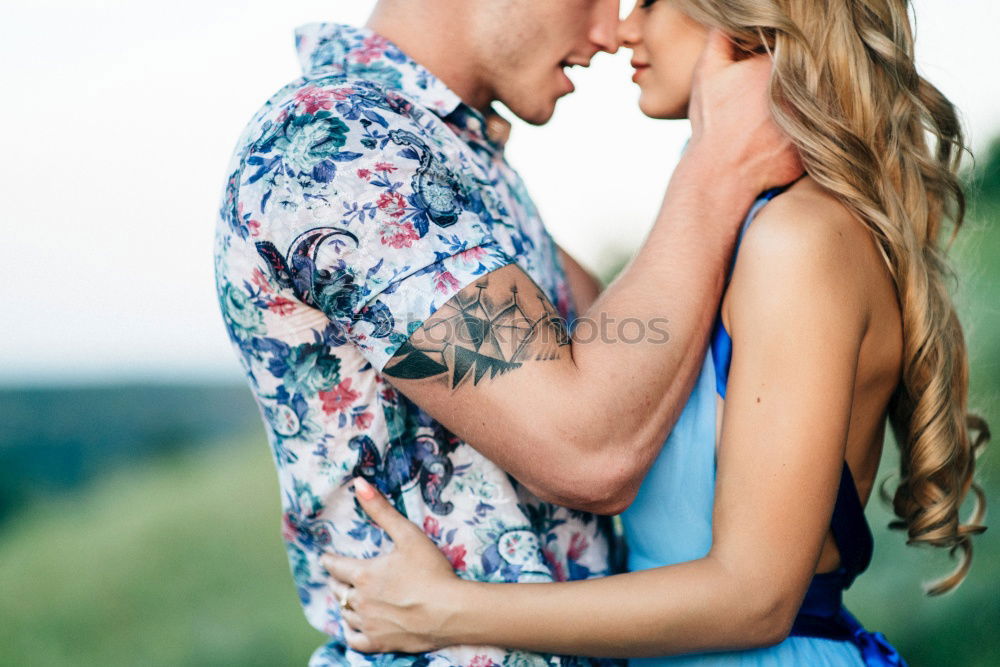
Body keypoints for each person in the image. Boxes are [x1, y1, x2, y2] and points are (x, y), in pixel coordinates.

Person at [320, 0, 990, 665]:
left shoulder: (799, 240)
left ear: (751, 19)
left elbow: (755, 597)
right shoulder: (728, 233)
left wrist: (444, 609)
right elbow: (564, 345)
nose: (621, 30)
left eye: (648, 1)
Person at [213, 0, 801, 665]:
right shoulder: (342, 144)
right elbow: (589, 448)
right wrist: (719, 168)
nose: (610, 34)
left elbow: (635, 361)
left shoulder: (446, 151)